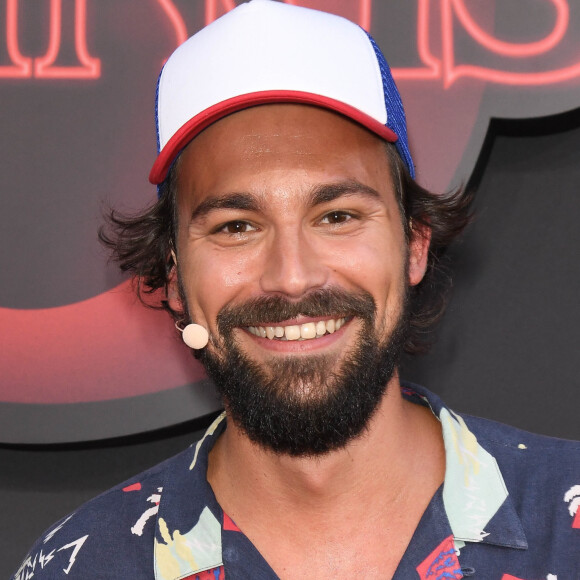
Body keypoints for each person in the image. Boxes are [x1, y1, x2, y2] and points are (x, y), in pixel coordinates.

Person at [12, 1, 580, 578]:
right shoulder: (84, 563)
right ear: (175, 276)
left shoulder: (568, 523)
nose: (292, 276)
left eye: (336, 216)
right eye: (237, 227)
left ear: (414, 244)